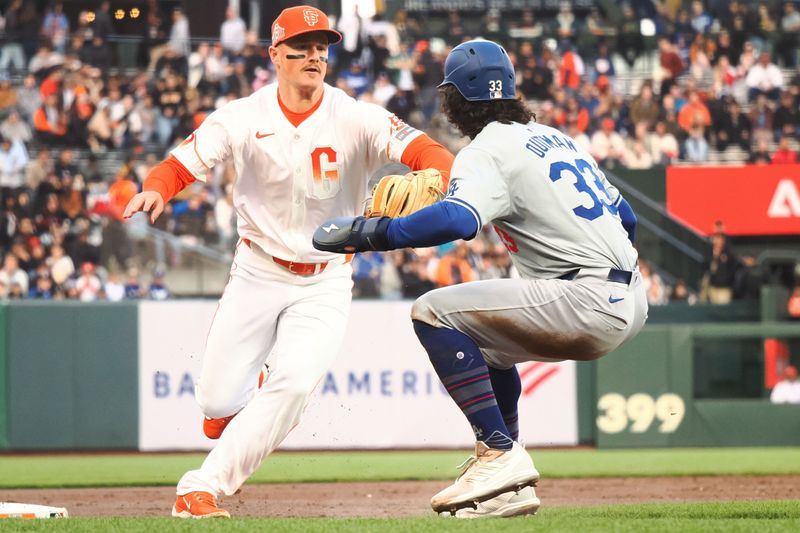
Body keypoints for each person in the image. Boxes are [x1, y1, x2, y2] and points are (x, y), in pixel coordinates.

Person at [122, 5, 453, 519]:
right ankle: (234, 401)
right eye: (300, 47)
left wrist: (438, 174)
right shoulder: (243, 114)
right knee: (214, 404)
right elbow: (184, 161)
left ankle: (201, 487)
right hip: (257, 270)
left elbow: (430, 152)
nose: (313, 56)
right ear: (274, 55)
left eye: (322, 47)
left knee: (295, 383)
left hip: (325, 279)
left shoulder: (356, 115)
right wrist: (156, 189)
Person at [312, 40, 648, 518]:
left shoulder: (486, 148)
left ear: (453, 99)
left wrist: (372, 233)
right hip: (630, 297)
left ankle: (498, 453)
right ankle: (508, 487)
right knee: (489, 345)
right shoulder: (556, 138)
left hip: (584, 298)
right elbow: (628, 218)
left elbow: (456, 222)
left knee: (431, 312)